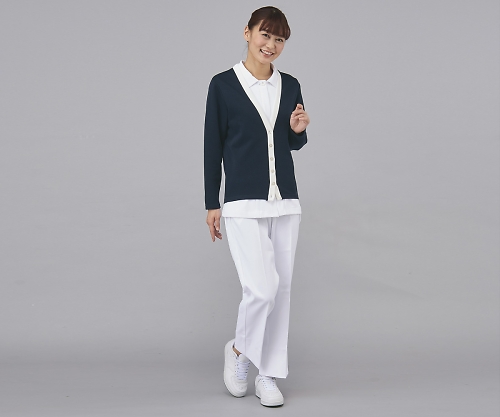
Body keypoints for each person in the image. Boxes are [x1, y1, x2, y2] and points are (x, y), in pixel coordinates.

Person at [203, 6, 310, 407]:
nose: (271, 45)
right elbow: (212, 145)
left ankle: (268, 374)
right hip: (242, 202)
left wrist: (297, 132)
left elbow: (290, 142)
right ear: (247, 33)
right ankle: (239, 351)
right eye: (266, 35)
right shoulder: (223, 85)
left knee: (282, 290)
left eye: (279, 39)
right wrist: (212, 202)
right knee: (261, 290)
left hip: (285, 202)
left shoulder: (291, 84)